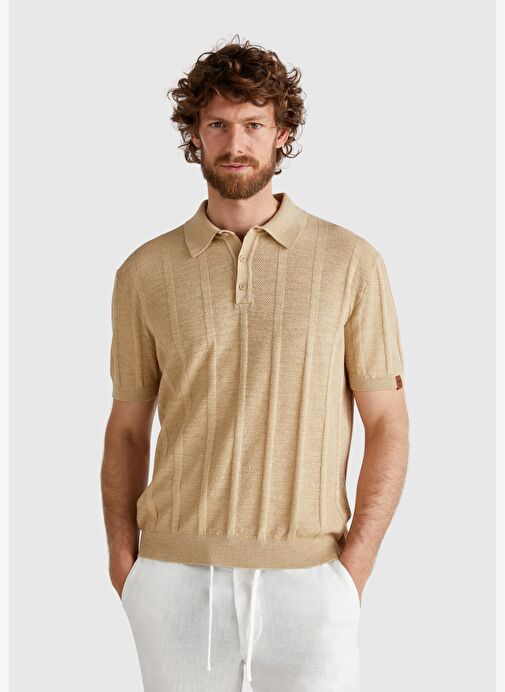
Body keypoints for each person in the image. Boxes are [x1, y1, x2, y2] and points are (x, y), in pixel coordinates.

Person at [101, 35, 410, 692]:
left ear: (282, 134)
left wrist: (354, 564)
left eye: (253, 125)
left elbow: (387, 423)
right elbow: (128, 427)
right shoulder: (145, 272)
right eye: (217, 124)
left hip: (312, 580)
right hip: (173, 580)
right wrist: (123, 560)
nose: (234, 143)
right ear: (194, 134)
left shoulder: (351, 263)